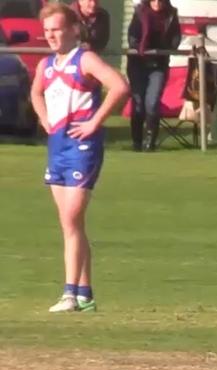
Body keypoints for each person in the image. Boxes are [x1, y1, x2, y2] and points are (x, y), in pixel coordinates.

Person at [30, 4, 129, 312]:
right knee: (70, 224)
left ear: (74, 29)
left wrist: (94, 122)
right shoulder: (45, 65)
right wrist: (45, 119)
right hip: (57, 148)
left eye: (56, 29)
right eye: (47, 31)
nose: (51, 36)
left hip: (82, 148)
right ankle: (85, 293)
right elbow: (36, 93)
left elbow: (120, 86)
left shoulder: (84, 59)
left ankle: (69, 294)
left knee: (71, 219)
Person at [126, 0, 180, 152]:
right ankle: (136, 142)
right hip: (138, 64)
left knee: (152, 102)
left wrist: (165, 48)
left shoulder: (171, 14)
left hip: (158, 65)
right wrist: (143, 48)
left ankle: (150, 142)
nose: (157, 3)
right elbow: (132, 38)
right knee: (138, 104)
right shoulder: (139, 13)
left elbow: (175, 38)